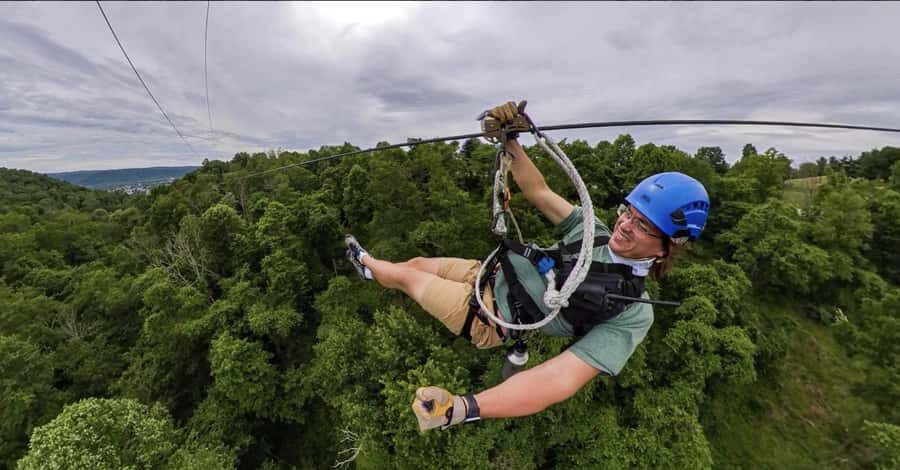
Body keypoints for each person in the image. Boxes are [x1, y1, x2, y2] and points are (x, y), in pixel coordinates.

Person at [343, 101, 710, 431]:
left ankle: (365, 263)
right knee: (419, 263)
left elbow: (558, 379)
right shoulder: (592, 232)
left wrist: (463, 407)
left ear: (667, 247)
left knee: (407, 276)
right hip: (489, 274)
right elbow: (540, 193)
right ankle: (377, 270)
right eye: (627, 212)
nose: (626, 225)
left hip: (490, 315)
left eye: (643, 225)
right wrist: (511, 141)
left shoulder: (632, 311)